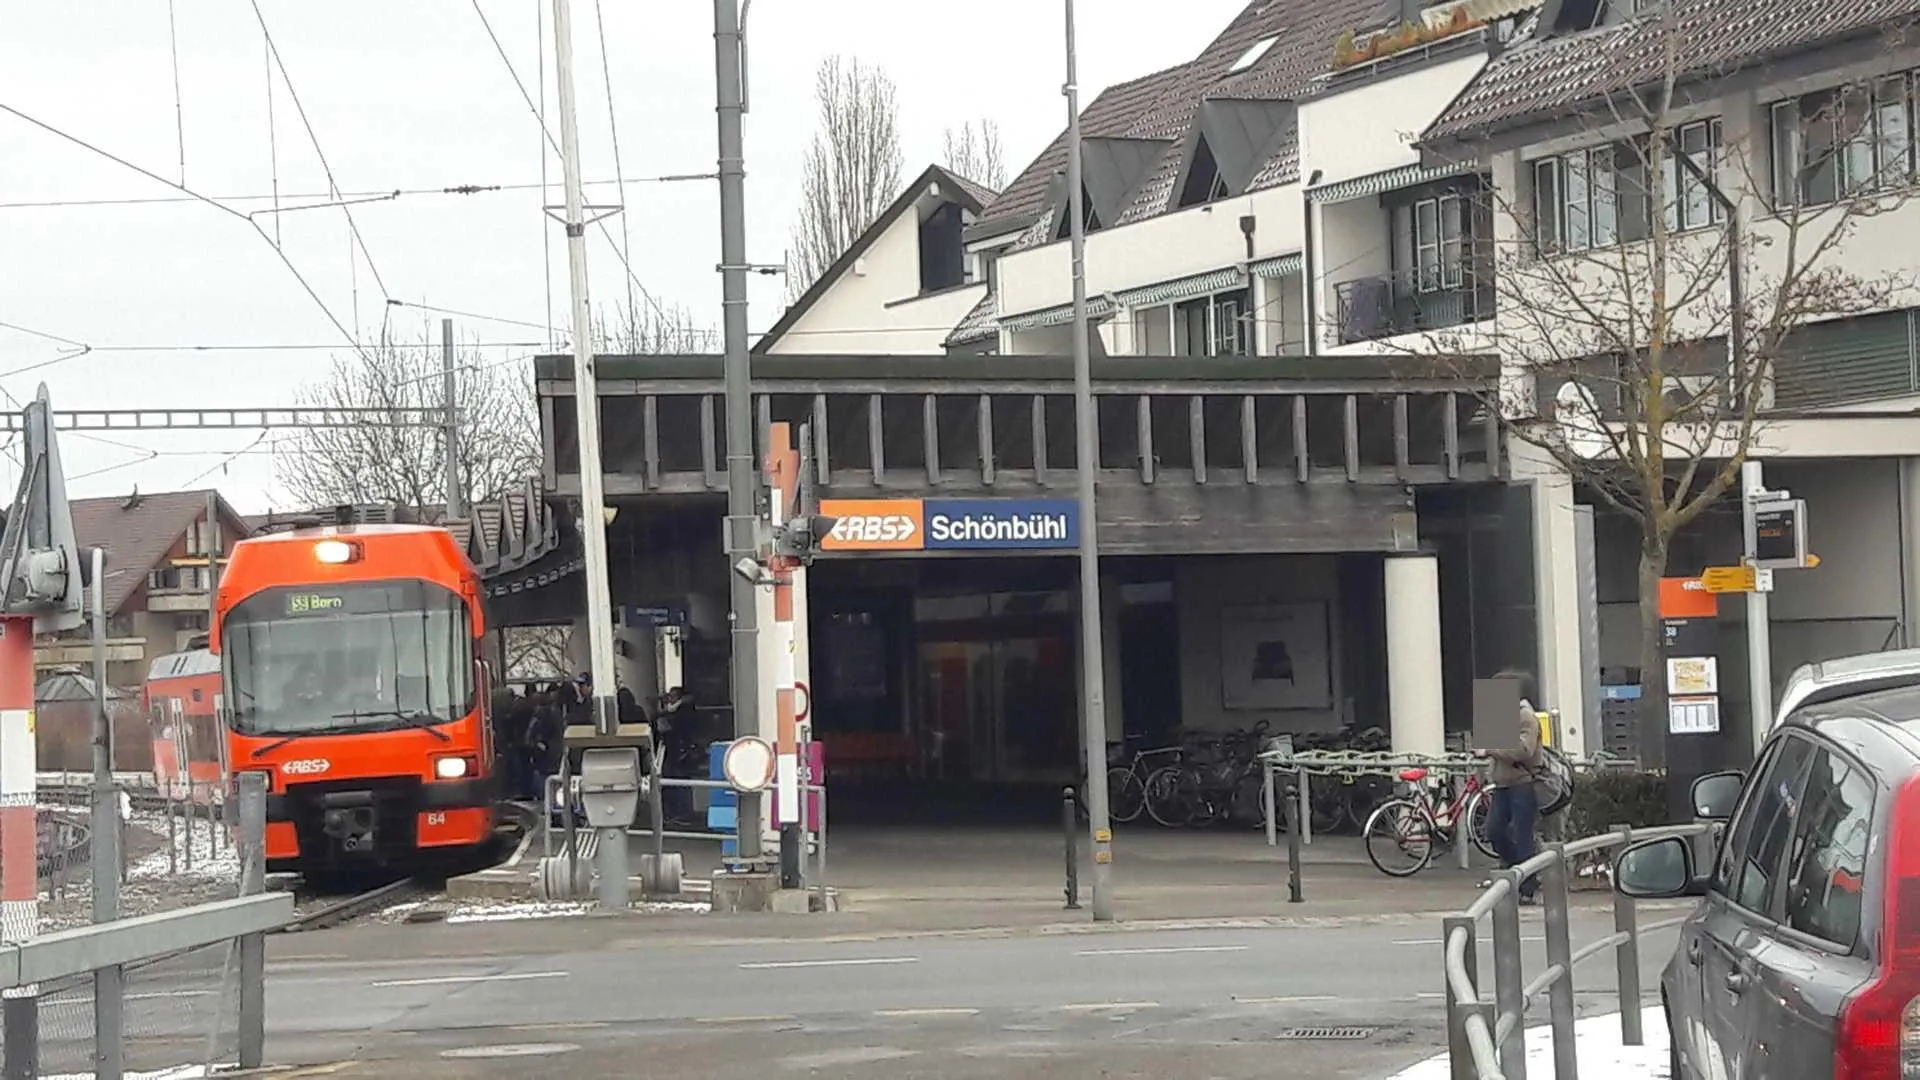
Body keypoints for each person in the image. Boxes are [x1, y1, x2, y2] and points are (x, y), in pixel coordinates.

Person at [1475, 669, 1545, 905]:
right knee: (1494, 831)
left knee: (1522, 835)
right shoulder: (1502, 714)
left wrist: (1492, 748)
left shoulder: (1525, 716)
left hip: (1522, 784)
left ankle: (1526, 886)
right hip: (1502, 784)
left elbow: (1524, 750)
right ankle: (1518, 873)